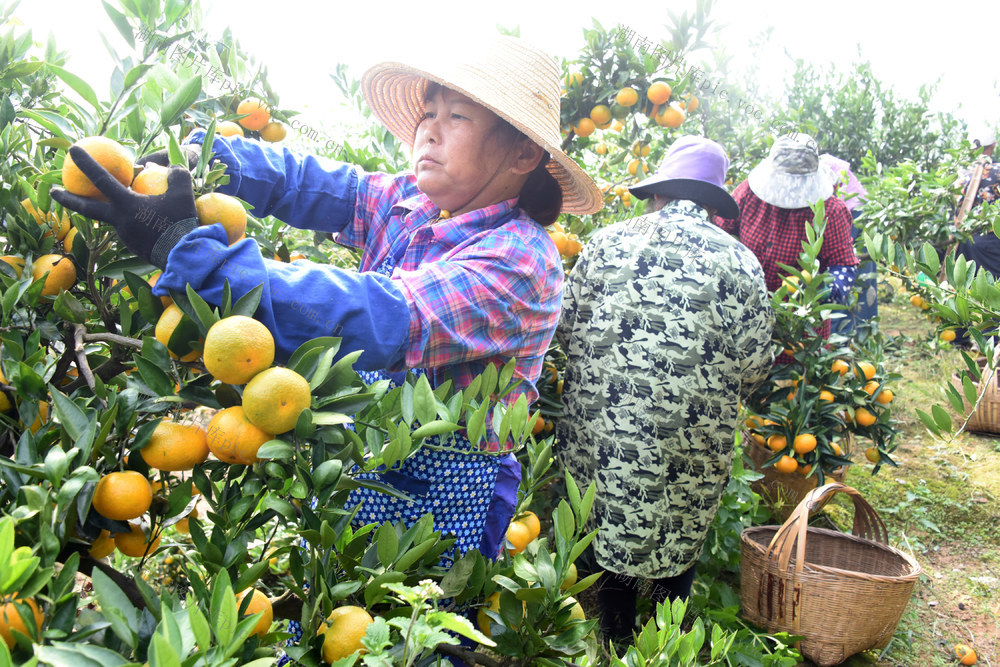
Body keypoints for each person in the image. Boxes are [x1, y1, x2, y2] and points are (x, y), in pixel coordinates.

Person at [51, 35, 603, 562]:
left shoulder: (520, 260)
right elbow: (309, 182)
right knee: (333, 611)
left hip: (448, 483)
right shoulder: (410, 201)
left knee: (412, 638)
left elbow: (378, 317)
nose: (429, 131)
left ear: (524, 153)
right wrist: (200, 162)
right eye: (428, 112)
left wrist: (193, 255)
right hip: (364, 451)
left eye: (456, 116)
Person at [554, 135, 774, 642]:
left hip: (601, 437)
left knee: (607, 519)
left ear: (657, 193)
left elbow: (564, 330)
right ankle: (662, 639)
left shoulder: (605, 244)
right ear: (713, 205)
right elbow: (756, 367)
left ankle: (613, 633)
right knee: (677, 523)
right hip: (687, 447)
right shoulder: (741, 263)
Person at [715, 133, 859, 344]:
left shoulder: (831, 212)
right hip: (747, 320)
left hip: (801, 330)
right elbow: (718, 231)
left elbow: (844, 265)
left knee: (795, 375)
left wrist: (820, 292)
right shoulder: (750, 194)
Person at [820, 153, 873, 337]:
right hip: (860, 211)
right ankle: (860, 332)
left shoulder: (838, 209)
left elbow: (841, 260)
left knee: (843, 273)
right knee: (862, 276)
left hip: (854, 212)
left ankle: (842, 335)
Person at [955, 124, 1000, 278]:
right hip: (995, 244)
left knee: (971, 292)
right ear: (993, 145)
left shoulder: (961, 176)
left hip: (969, 245)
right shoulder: (998, 172)